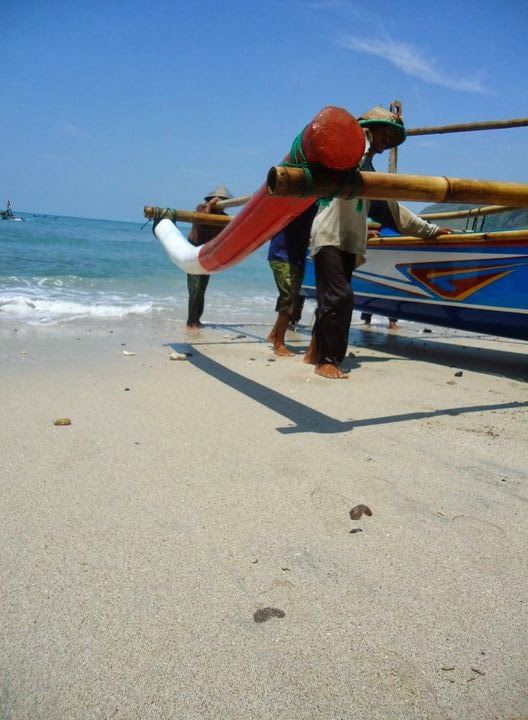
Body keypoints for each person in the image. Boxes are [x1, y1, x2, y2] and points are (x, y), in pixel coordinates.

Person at [304, 106, 453, 379]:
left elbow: (392, 211)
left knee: (331, 297)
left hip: (348, 241)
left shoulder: (369, 171)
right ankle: (328, 361)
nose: (386, 141)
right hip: (329, 236)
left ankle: (314, 352)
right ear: (369, 129)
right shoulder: (347, 156)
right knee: (340, 297)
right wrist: (363, 139)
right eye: (384, 133)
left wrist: (430, 231)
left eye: (390, 137)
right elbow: (351, 152)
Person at [267, 203, 318, 355]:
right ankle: (279, 344)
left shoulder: (315, 203)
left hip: (298, 256)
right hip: (281, 254)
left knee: (293, 298)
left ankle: (274, 334)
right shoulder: (292, 198)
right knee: (287, 298)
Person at [187, 185, 232, 329]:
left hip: (207, 255)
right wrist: (209, 207)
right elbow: (201, 225)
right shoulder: (201, 208)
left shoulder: (224, 217)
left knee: (202, 288)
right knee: (194, 288)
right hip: (194, 252)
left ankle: (197, 320)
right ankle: (191, 321)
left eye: (223, 200)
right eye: (218, 199)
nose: (220, 202)